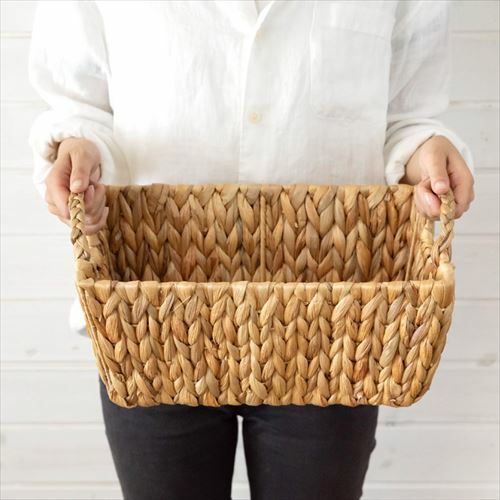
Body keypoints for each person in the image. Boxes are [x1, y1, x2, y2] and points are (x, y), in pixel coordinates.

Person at [28, 1, 475, 500]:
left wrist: (425, 153)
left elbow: (408, 113)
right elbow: (79, 103)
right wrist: (78, 155)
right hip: (152, 326)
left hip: (333, 331)